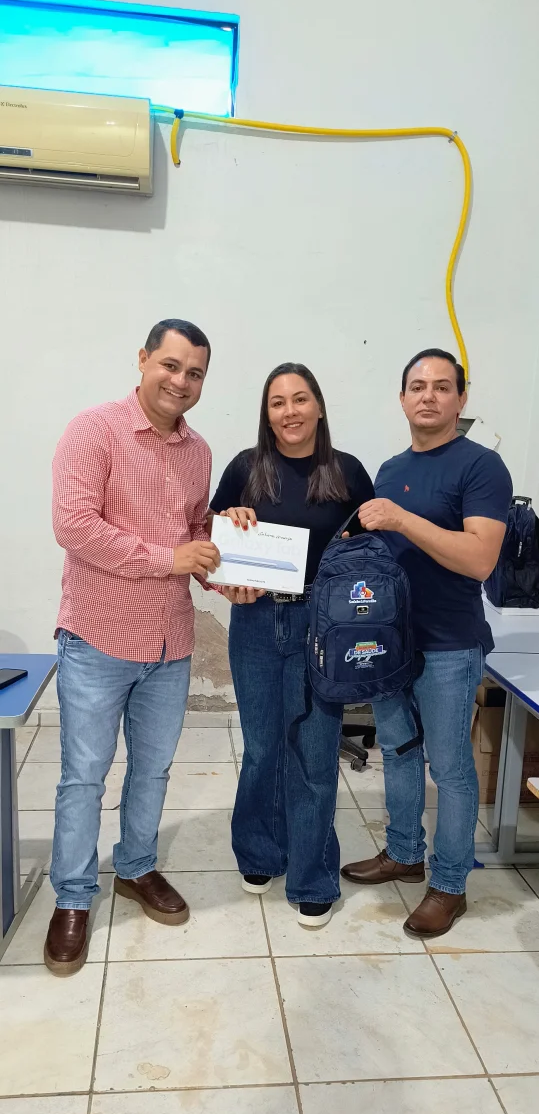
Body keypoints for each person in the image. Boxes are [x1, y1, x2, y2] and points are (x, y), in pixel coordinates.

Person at [45, 318, 219, 976]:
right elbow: (73, 526)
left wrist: (225, 557)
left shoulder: (198, 450)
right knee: (84, 776)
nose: (181, 381)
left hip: (170, 642)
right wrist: (168, 558)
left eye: (195, 373)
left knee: (152, 769)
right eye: (170, 365)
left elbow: (194, 531)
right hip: (97, 638)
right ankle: (72, 896)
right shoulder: (94, 429)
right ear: (143, 359)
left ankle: (137, 866)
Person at [342, 348, 512, 938]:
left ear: (461, 399)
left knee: (451, 766)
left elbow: (480, 558)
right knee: (397, 751)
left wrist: (401, 520)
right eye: (417, 386)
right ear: (402, 398)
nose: (429, 396)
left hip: (449, 644)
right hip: (391, 643)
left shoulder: (481, 466)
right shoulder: (390, 469)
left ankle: (449, 884)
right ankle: (403, 852)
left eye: (442, 386)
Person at [210, 362, 374, 927]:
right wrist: (226, 537)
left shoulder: (347, 472)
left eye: (300, 399)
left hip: (320, 624)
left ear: (319, 406)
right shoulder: (245, 467)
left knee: (314, 752)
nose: (290, 411)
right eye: (277, 402)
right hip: (255, 621)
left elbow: (370, 550)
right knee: (261, 747)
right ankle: (260, 853)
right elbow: (211, 537)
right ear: (267, 413)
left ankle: (312, 876)